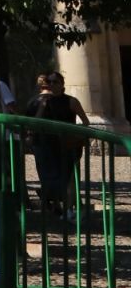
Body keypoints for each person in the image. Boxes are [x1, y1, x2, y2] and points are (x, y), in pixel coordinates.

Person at [24, 71, 89, 221]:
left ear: (62, 85)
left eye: (56, 82)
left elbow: (85, 121)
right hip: (47, 147)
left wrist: (76, 136)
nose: (52, 85)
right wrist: (43, 105)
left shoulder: (71, 101)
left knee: (68, 178)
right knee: (51, 178)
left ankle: (68, 210)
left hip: (68, 145)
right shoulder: (40, 101)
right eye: (50, 82)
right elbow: (34, 123)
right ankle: (57, 206)